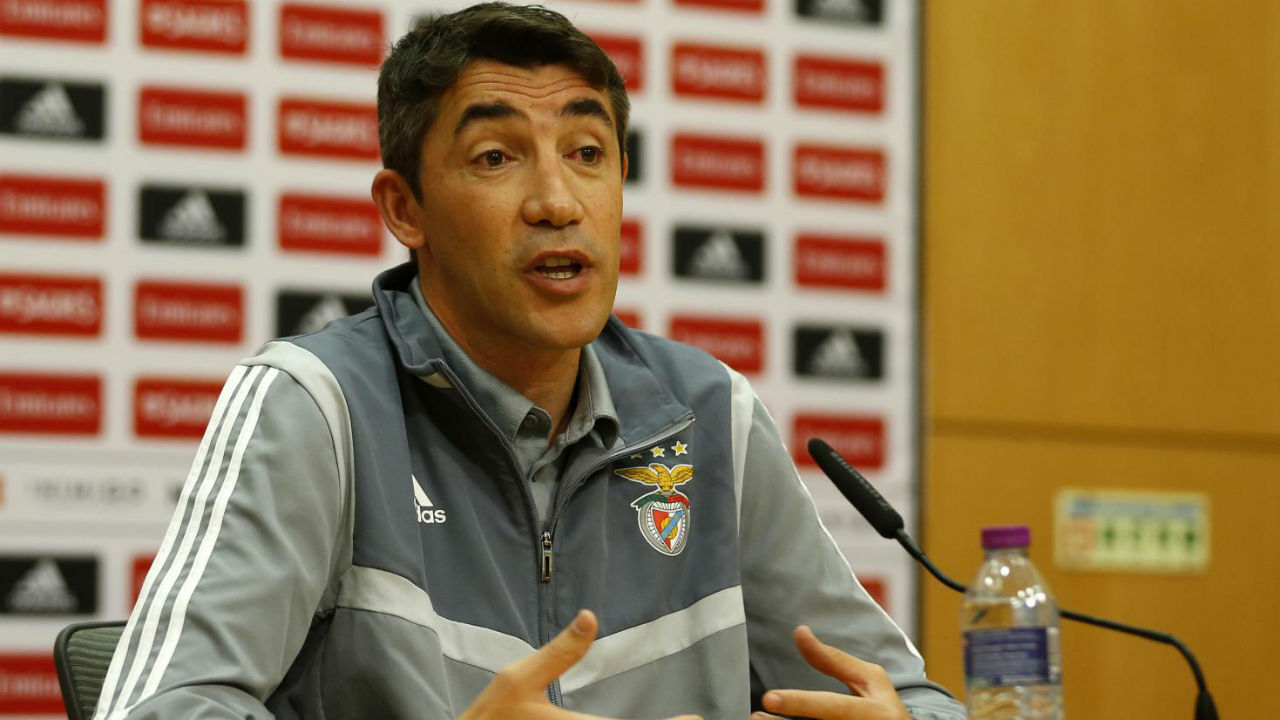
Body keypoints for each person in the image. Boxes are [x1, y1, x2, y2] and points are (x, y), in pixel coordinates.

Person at [92, 4, 966, 719]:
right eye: (496, 158)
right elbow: (160, 709)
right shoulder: (318, 407)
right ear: (405, 209)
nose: (556, 201)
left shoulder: (705, 414)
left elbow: (912, 699)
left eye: (587, 155)